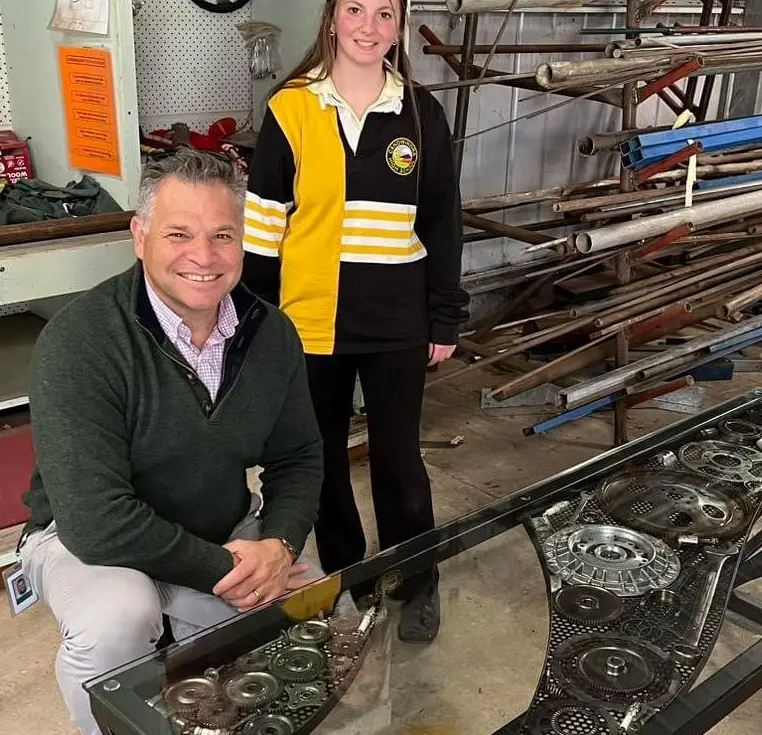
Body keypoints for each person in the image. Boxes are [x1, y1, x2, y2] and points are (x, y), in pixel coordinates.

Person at [17, 149, 324, 735]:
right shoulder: (79, 341)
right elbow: (95, 521)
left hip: (215, 525)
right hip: (87, 542)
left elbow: (298, 456)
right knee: (118, 618)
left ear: (243, 241)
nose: (203, 256)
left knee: (306, 617)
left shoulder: (272, 334)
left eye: (222, 235)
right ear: (140, 236)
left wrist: (280, 545)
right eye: (178, 233)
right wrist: (228, 570)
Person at [240, 0, 469, 643]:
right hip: (310, 322)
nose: (369, 27)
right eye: (355, 9)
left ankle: (417, 580)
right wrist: (256, 323)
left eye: (385, 14)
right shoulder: (291, 107)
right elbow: (263, 226)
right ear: (332, 19)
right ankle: (350, 575)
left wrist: (444, 317)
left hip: (398, 322)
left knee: (399, 459)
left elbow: (442, 222)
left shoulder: (421, 113)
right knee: (320, 460)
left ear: (399, 27)